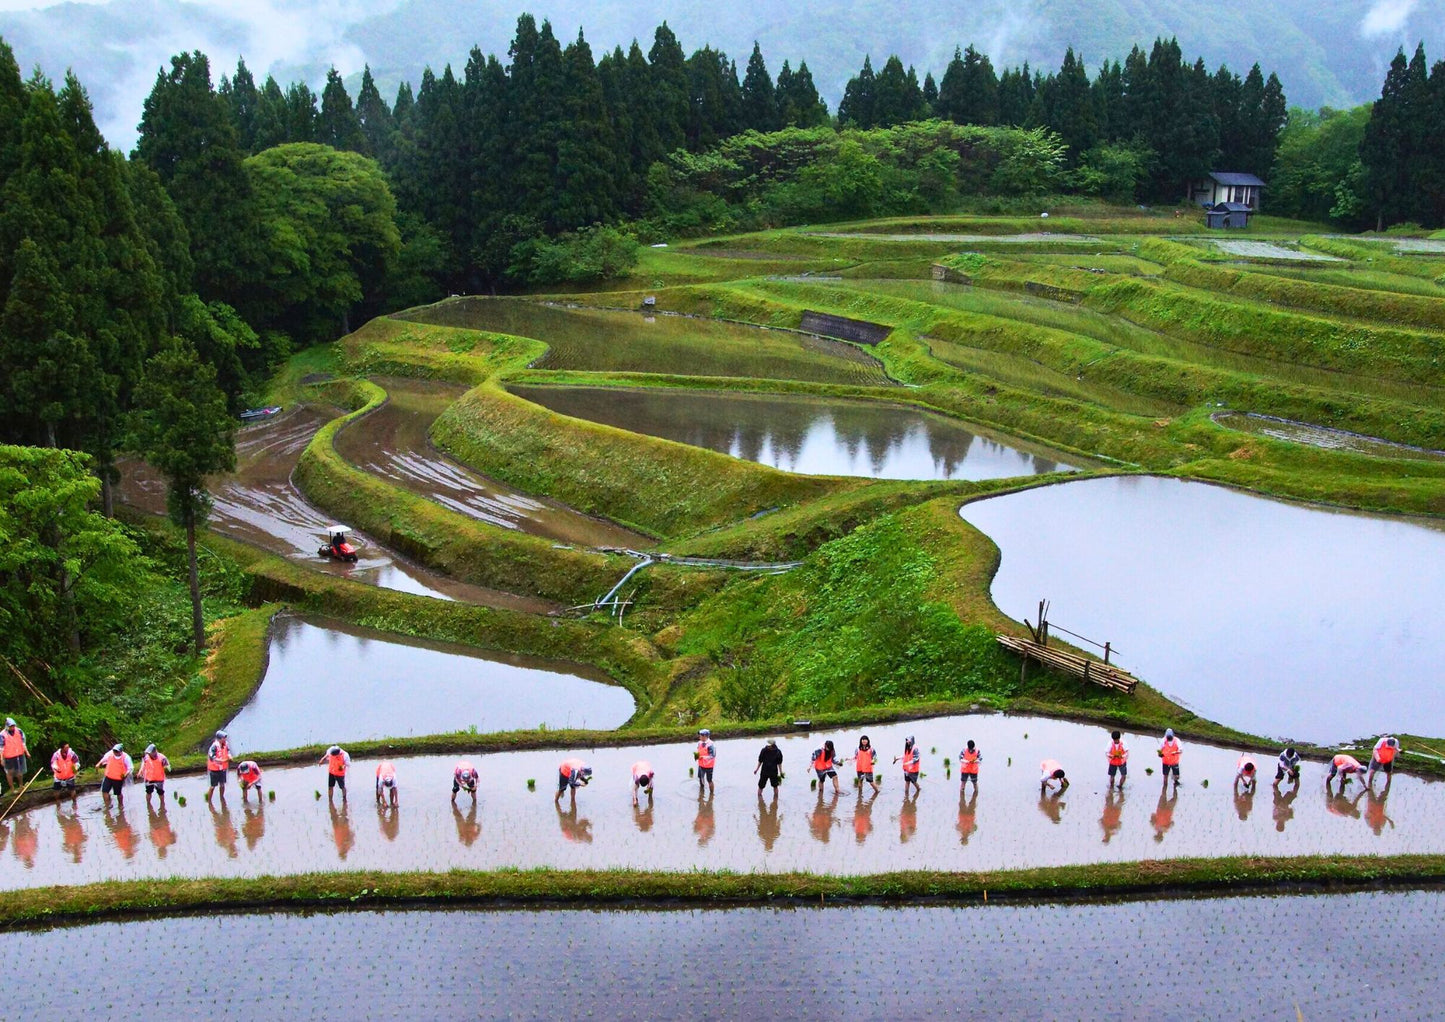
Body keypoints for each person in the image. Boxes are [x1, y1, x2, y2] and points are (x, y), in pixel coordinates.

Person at [96, 743, 132, 808]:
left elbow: (130, 768)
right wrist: (98, 764)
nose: (115, 752)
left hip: (118, 778)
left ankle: (120, 805)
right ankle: (107, 805)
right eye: (114, 751)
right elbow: (104, 759)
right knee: (104, 791)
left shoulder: (126, 757)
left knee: (118, 793)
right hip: (108, 776)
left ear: (120, 752)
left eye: (116, 751)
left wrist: (126, 774)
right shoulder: (110, 754)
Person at [2, 717, 29, 793]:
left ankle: (21, 786)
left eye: (13, 726)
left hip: (19, 754)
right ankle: (12, 789)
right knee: (10, 772)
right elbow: (1, 748)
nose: (12, 727)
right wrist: (1, 759)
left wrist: (26, 752)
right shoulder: (2, 734)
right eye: (11, 726)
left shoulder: (19, 731)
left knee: (19, 772)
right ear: (7, 726)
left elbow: (23, 743)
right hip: (8, 757)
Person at [206, 730, 232, 801]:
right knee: (213, 786)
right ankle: (209, 801)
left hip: (222, 768)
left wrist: (229, 756)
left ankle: (222, 798)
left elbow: (228, 751)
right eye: (223, 738)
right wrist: (222, 761)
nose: (225, 739)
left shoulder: (225, 744)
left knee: (222, 784)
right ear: (219, 738)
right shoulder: (214, 746)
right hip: (214, 769)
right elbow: (212, 757)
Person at [695, 729, 716, 794]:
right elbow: (698, 750)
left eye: (701, 735)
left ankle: (711, 794)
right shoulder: (699, 743)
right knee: (700, 777)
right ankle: (702, 790)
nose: (699, 737)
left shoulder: (711, 745)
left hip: (709, 765)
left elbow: (713, 755)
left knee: (709, 780)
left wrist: (703, 757)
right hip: (701, 764)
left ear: (705, 736)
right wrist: (696, 755)